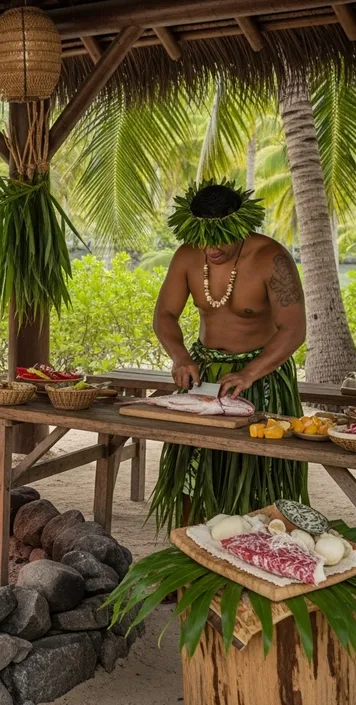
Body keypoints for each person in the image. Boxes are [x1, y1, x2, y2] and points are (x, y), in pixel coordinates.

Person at [151, 179, 308, 531]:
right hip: (204, 375)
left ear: (240, 226)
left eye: (220, 237)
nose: (211, 248)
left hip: (262, 376)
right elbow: (164, 315)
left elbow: (293, 329)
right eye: (203, 238)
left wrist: (250, 372)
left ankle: (254, 549)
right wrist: (180, 356)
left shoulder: (271, 259)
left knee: (256, 479)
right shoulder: (188, 256)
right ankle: (191, 543)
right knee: (192, 472)